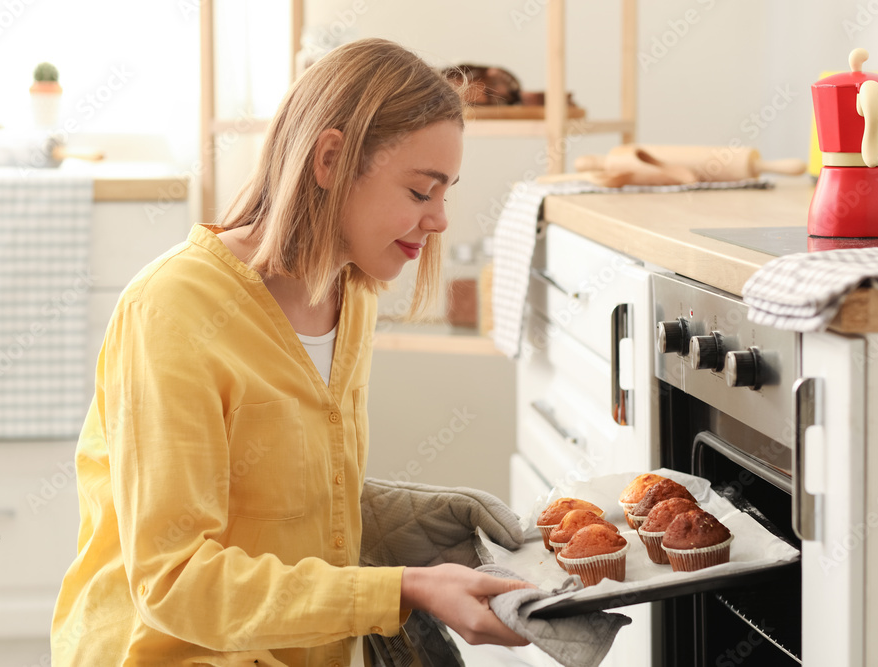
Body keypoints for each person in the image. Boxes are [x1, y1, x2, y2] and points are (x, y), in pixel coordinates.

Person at [51, 38, 532, 666]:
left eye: (446, 193)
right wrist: (405, 587)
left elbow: (276, 499)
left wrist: (412, 518)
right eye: (421, 192)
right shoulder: (171, 313)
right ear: (330, 159)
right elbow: (173, 583)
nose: (440, 219)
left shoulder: (350, 295)